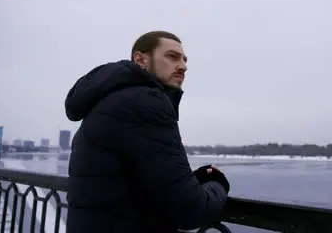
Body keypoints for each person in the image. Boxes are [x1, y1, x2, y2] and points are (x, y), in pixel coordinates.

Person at [65, 31, 230, 232]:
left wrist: (194, 180)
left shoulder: (112, 100)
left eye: (185, 60)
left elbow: (130, 182)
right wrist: (217, 184)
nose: (183, 66)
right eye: (172, 56)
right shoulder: (145, 102)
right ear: (140, 60)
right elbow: (190, 211)